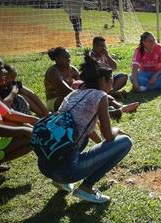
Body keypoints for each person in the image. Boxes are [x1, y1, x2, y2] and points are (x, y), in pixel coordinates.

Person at [37, 53, 132, 203]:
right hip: (66, 171)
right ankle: (86, 187)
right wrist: (116, 130)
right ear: (102, 80)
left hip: (44, 165)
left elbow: (83, 129)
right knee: (125, 142)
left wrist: (102, 148)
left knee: (82, 138)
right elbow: (108, 136)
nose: (112, 83)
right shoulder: (100, 96)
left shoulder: (74, 94)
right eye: (111, 79)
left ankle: (60, 182)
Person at [0, 55, 38, 182]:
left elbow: (9, 113)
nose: (5, 72)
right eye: (0, 68)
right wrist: (24, 130)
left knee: (29, 131)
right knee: (32, 138)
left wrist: (36, 121)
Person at [44, 47, 80, 112]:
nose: (69, 59)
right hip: (54, 101)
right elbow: (65, 89)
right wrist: (82, 95)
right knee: (74, 102)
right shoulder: (53, 72)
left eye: (69, 57)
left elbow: (83, 83)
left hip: (70, 96)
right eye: (65, 57)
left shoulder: (72, 69)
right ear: (57, 59)